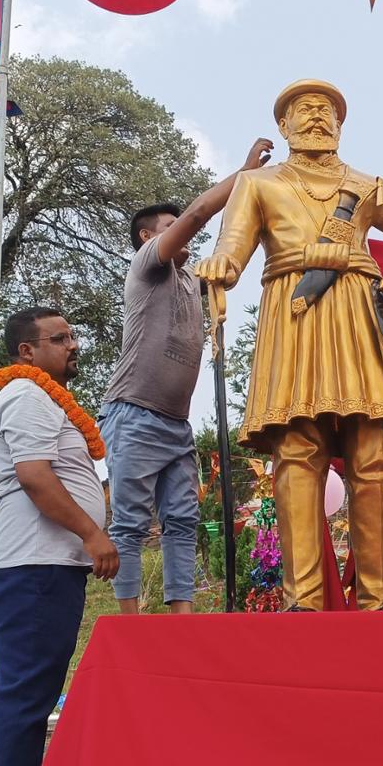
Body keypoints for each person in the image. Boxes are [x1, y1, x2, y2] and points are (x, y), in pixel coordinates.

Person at [195, 80, 383, 610]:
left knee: (375, 452)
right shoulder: (259, 184)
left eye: (326, 111)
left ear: (340, 124)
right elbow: (233, 247)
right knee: (298, 451)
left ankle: (380, 602)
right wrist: (221, 266)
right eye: (303, 111)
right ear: (284, 127)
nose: (316, 117)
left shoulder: (368, 184)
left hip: (360, 311)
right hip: (294, 310)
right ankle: (304, 600)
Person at [104, 139, 275, 615]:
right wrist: (244, 174)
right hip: (134, 413)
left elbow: (223, 243)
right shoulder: (148, 268)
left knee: (182, 519)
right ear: (148, 238)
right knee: (131, 522)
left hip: (175, 425)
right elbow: (199, 214)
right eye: (170, 228)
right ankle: (131, 620)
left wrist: (249, 201)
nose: (185, 236)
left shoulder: (189, 279)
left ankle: (181, 618)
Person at [0, 308, 121, 766]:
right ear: (26, 354)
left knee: (12, 693)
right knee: (25, 696)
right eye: (59, 339)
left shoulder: (40, 398)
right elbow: (37, 476)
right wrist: (92, 534)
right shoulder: (28, 397)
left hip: (32, 563)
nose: (73, 345)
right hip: (34, 564)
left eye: (73, 335)